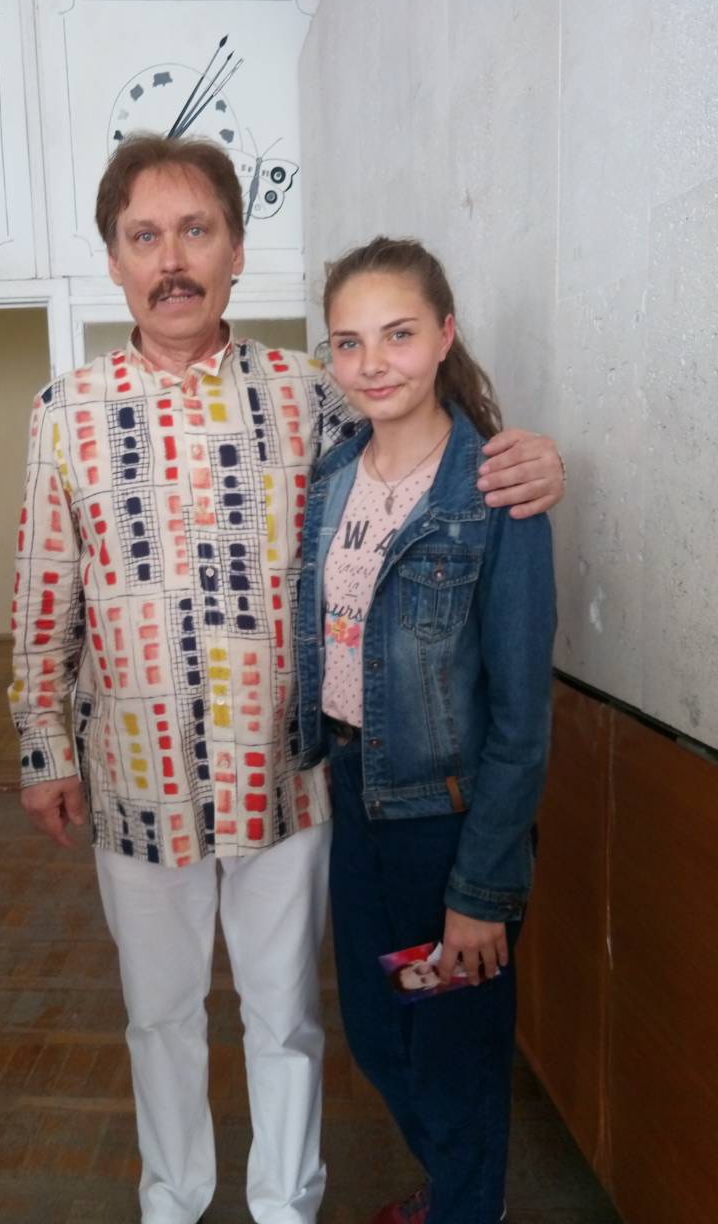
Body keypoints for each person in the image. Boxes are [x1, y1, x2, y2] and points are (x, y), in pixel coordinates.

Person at [8, 137, 564, 1224]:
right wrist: (43, 747)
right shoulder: (64, 410)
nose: (172, 259)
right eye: (145, 237)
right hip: (138, 782)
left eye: (196, 231)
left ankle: (286, 1203)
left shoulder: (311, 391)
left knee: (288, 1016)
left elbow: (428, 449)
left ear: (236, 251)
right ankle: (174, 1198)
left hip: (289, 780)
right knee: (159, 1015)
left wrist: (532, 460)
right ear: (114, 262)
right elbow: (42, 585)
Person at [295, 237, 557, 1224]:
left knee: (452, 1055)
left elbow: (522, 717)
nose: (374, 362)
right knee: (380, 1036)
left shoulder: (494, 492)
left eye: (398, 334)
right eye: (349, 341)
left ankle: (464, 1204)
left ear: (445, 335)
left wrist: (481, 890)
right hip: (357, 805)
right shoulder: (333, 477)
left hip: (446, 826)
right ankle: (457, 1190)